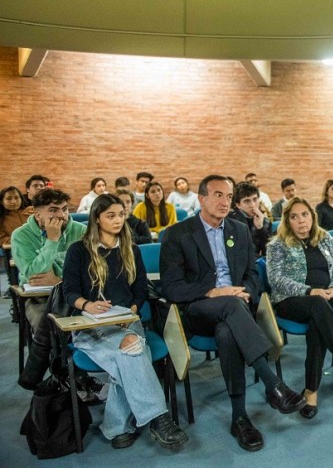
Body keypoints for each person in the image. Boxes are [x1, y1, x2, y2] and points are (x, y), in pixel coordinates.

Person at [160, 175, 305, 452]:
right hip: (199, 310)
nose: (224, 202)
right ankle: (273, 384)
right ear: (201, 199)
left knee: (227, 331)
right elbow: (172, 287)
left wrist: (246, 292)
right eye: (217, 195)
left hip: (236, 309)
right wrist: (213, 292)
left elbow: (252, 273)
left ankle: (240, 418)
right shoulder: (178, 234)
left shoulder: (239, 230)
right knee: (230, 305)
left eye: (228, 196)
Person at [62, 194, 188, 450]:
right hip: (91, 324)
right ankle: (158, 418)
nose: (118, 220)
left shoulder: (130, 249)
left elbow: (141, 288)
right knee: (133, 351)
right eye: (111, 215)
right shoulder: (79, 250)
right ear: (96, 218)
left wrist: (132, 309)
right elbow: (70, 291)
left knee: (129, 347)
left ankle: (117, 427)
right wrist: (87, 305)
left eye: (121, 215)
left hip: (126, 321)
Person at [266, 198, 333, 419]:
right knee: (318, 305)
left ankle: (310, 391)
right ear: (287, 221)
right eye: (294, 217)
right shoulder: (277, 245)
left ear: (312, 216)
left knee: (317, 323)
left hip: (324, 299)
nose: (301, 221)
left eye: (305, 214)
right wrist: (308, 290)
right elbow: (275, 279)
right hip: (291, 300)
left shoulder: (325, 238)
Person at [12, 188, 87, 388]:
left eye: (64, 209)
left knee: (80, 320)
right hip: (39, 297)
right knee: (43, 320)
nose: (61, 215)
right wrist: (52, 241)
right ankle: (69, 377)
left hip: (72, 293)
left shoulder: (80, 231)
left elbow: (88, 271)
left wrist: (59, 280)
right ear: (37, 214)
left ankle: (67, 375)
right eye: (53, 210)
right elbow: (33, 274)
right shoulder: (21, 236)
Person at [228, 181, 271, 256]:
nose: (253, 205)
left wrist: (260, 228)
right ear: (238, 204)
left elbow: (268, 252)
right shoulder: (230, 220)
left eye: (255, 199)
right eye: (247, 201)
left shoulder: (265, 222)